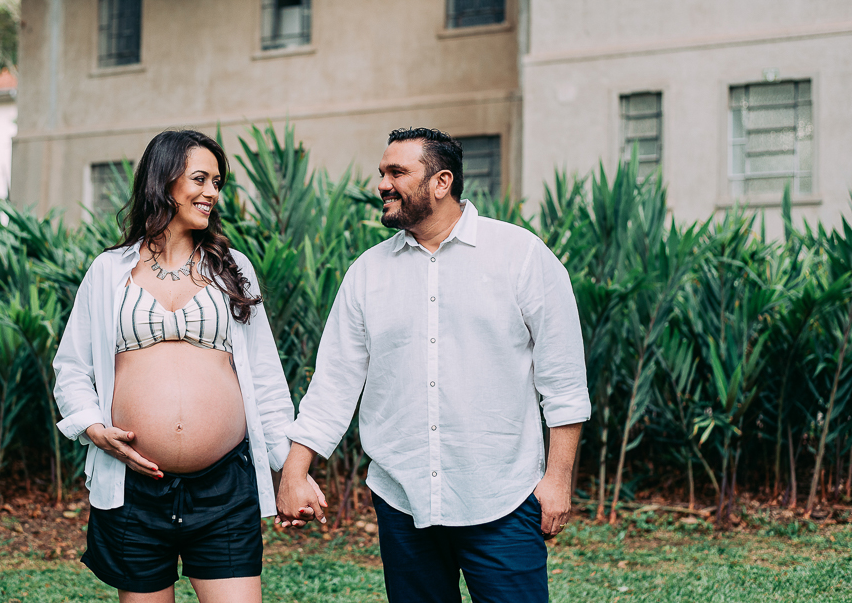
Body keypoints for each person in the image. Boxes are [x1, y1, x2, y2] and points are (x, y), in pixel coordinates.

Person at [275, 128, 590, 603]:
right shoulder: (367, 273)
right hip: (402, 502)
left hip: (503, 499)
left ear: (442, 182)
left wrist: (558, 480)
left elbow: (563, 380)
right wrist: (295, 472)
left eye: (397, 172)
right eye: (382, 172)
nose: (382, 184)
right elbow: (334, 383)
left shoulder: (521, 256)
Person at [52, 130, 322, 603]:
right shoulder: (108, 271)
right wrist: (93, 427)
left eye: (217, 182)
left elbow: (264, 377)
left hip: (224, 488)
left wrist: (291, 472)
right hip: (135, 488)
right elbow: (72, 367)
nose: (212, 192)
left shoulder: (232, 268)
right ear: (164, 180)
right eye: (200, 179)